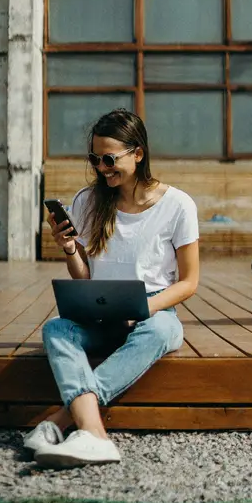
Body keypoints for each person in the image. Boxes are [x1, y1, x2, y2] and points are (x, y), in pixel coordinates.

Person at [25, 108, 199, 468]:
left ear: (138, 154)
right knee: (57, 328)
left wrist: (141, 310)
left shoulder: (178, 206)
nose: (102, 168)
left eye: (109, 159)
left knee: (163, 330)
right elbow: (84, 277)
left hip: (151, 310)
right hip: (100, 309)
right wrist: (70, 249)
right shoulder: (88, 201)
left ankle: (66, 422)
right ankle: (95, 435)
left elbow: (189, 282)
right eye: (95, 159)